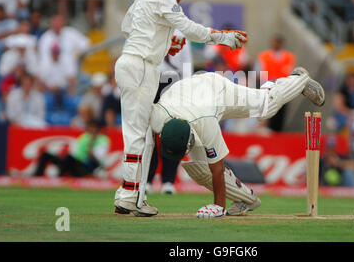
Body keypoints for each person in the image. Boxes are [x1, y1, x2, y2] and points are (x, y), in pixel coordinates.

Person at [113, 0, 247, 217]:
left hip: (135, 63)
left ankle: (129, 195)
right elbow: (187, 27)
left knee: (140, 132)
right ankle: (132, 197)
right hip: (141, 67)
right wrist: (221, 37)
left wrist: (164, 44)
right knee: (140, 135)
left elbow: (128, 26)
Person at [133, 67, 324, 218]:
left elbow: (218, 168)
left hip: (218, 90)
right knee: (200, 169)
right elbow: (146, 149)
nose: (183, 154)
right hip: (190, 93)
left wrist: (218, 207)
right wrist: (135, 195)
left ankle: (299, 80)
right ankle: (246, 200)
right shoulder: (156, 117)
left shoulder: (205, 121)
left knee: (265, 107)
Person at [147, 29, 193, 195]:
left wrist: (186, 88)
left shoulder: (181, 33)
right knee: (150, 133)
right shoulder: (152, 29)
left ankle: (168, 181)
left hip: (174, 83)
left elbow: (187, 64)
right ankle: (147, 179)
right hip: (152, 81)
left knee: (171, 134)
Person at [34, 120, 110, 177]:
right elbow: (76, 151)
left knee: (68, 160)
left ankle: (58, 178)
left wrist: (91, 146)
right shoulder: (85, 136)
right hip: (73, 163)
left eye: (93, 127)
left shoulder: (102, 140)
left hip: (85, 167)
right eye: (90, 127)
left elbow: (98, 159)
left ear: (98, 128)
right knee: (46, 155)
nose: (91, 129)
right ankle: (37, 176)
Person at [255, 34, 297, 131]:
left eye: (277, 42)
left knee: (280, 113)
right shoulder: (263, 56)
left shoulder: (288, 57)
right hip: (268, 88)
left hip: (283, 88)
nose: (275, 44)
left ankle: (278, 131)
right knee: (267, 112)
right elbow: (258, 72)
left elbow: (291, 73)